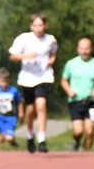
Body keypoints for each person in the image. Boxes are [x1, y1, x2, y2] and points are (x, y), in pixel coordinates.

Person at [8, 14, 57, 153]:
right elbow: (12, 56)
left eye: (41, 25)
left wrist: (51, 60)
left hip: (44, 76)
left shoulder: (50, 40)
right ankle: (30, 135)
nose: (38, 28)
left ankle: (42, 139)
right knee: (30, 110)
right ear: (31, 26)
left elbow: (53, 54)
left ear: (45, 26)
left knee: (41, 104)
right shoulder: (23, 38)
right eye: (35, 25)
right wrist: (26, 56)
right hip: (27, 78)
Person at [60, 37, 94, 151]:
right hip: (75, 101)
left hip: (91, 102)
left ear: (91, 49)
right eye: (82, 49)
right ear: (78, 49)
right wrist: (68, 90)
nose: (84, 51)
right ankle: (76, 142)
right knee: (78, 131)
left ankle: (86, 154)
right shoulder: (71, 64)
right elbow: (63, 80)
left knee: (89, 131)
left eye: (87, 49)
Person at [0, 67, 24, 147]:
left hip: (10, 117)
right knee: (1, 139)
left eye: (6, 81)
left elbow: (20, 102)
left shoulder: (13, 90)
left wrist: (21, 114)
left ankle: (13, 142)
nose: (4, 84)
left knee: (9, 138)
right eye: (2, 81)